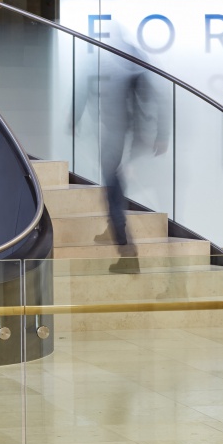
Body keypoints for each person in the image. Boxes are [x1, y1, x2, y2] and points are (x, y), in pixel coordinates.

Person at [95, 34, 171, 274]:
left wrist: (160, 135)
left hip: (121, 144)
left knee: (113, 194)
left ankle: (127, 252)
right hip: (121, 141)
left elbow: (153, 104)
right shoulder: (131, 74)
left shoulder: (132, 75)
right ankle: (116, 232)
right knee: (113, 193)